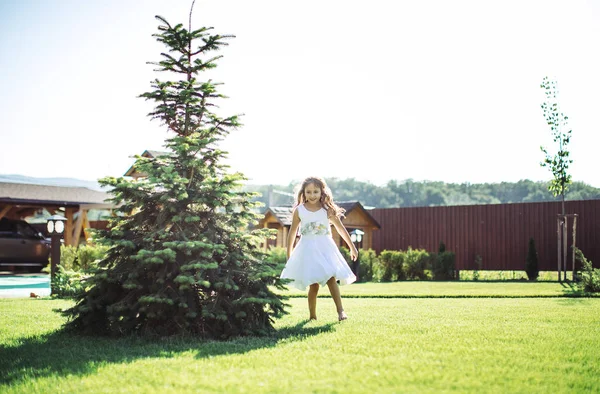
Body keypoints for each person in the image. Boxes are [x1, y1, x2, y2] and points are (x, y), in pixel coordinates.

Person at [281, 176, 358, 321]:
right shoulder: (300, 210)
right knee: (313, 285)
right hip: (307, 249)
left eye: (315, 192)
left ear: (322, 192)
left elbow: (340, 229)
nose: (312, 195)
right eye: (308, 192)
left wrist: (352, 247)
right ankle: (312, 316)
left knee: (331, 278)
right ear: (303, 193)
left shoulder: (327, 210)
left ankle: (341, 311)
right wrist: (289, 252)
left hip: (325, 248)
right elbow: (292, 232)